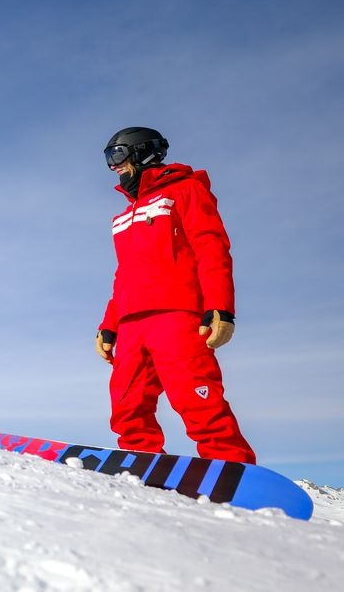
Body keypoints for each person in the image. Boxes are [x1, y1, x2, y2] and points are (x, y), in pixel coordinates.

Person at [96, 127, 256, 464]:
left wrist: (220, 307)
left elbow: (211, 248)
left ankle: (231, 466)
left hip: (176, 314)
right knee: (127, 405)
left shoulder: (185, 190)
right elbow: (124, 273)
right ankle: (139, 463)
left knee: (196, 399)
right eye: (109, 158)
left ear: (142, 153)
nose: (114, 166)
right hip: (132, 322)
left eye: (118, 155)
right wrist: (109, 325)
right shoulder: (124, 215)